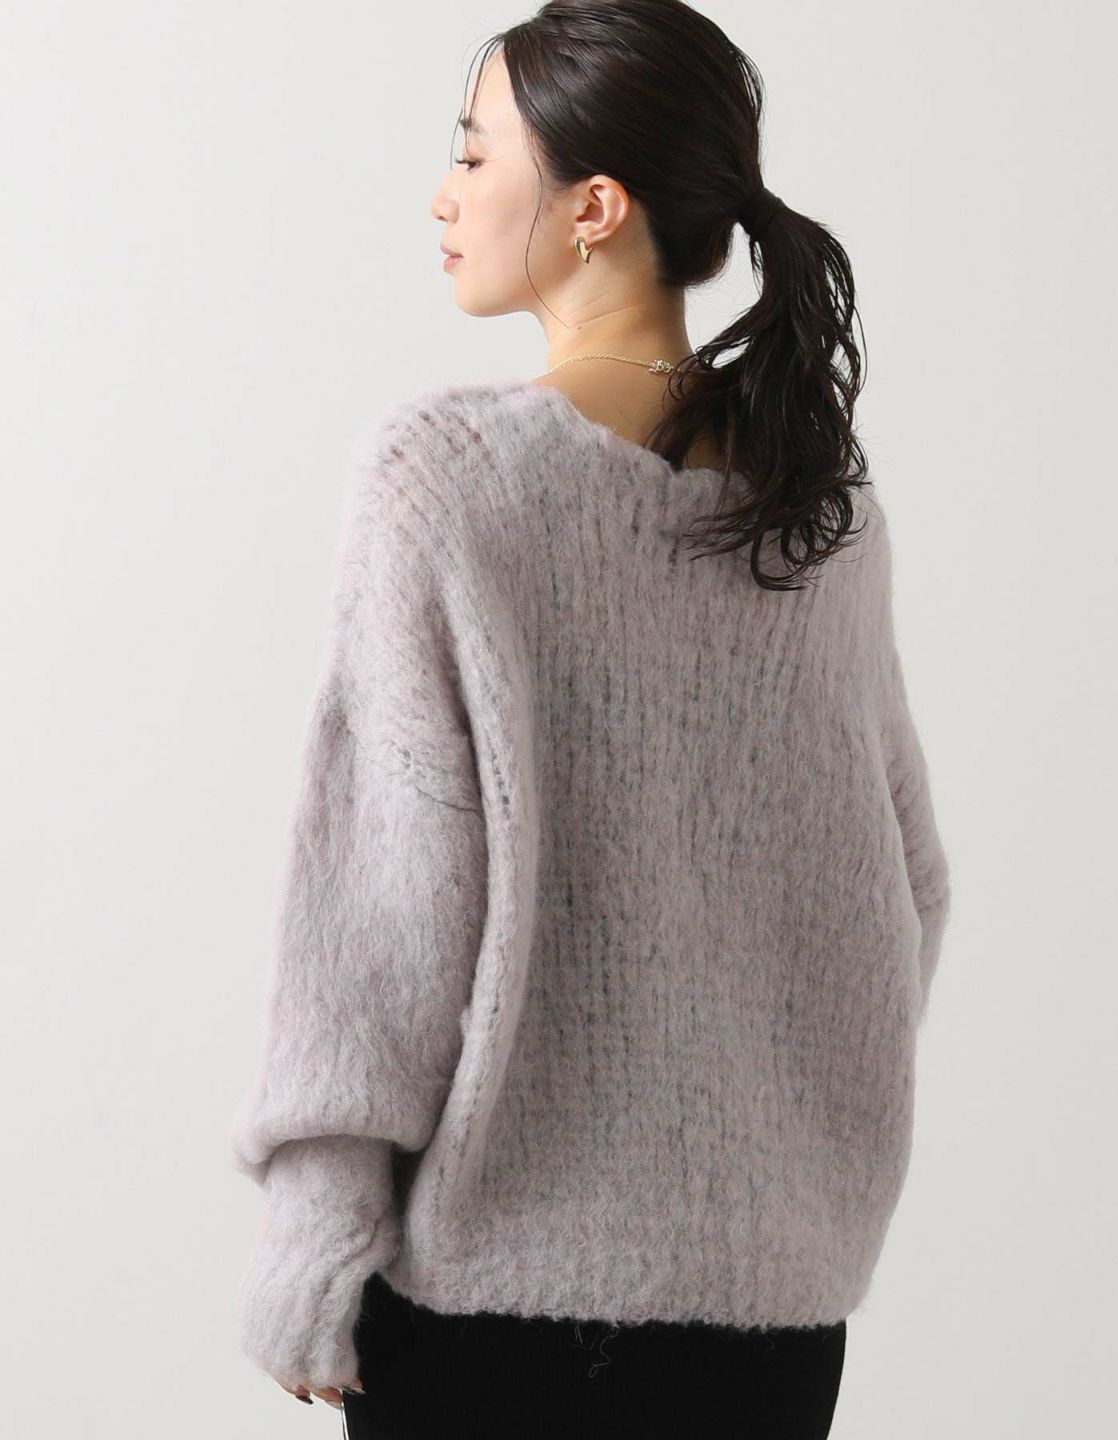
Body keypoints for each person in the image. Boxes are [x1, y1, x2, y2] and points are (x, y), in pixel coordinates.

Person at [230, 4, 951, 1437]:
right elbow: (904, 885)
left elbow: (382, 909)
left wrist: (315, 1230)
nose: (444, 195)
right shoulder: (822, 509)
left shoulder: (445, 478)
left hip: (491, 1320)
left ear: (595, 207)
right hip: (775, 1323)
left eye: (473, 152)